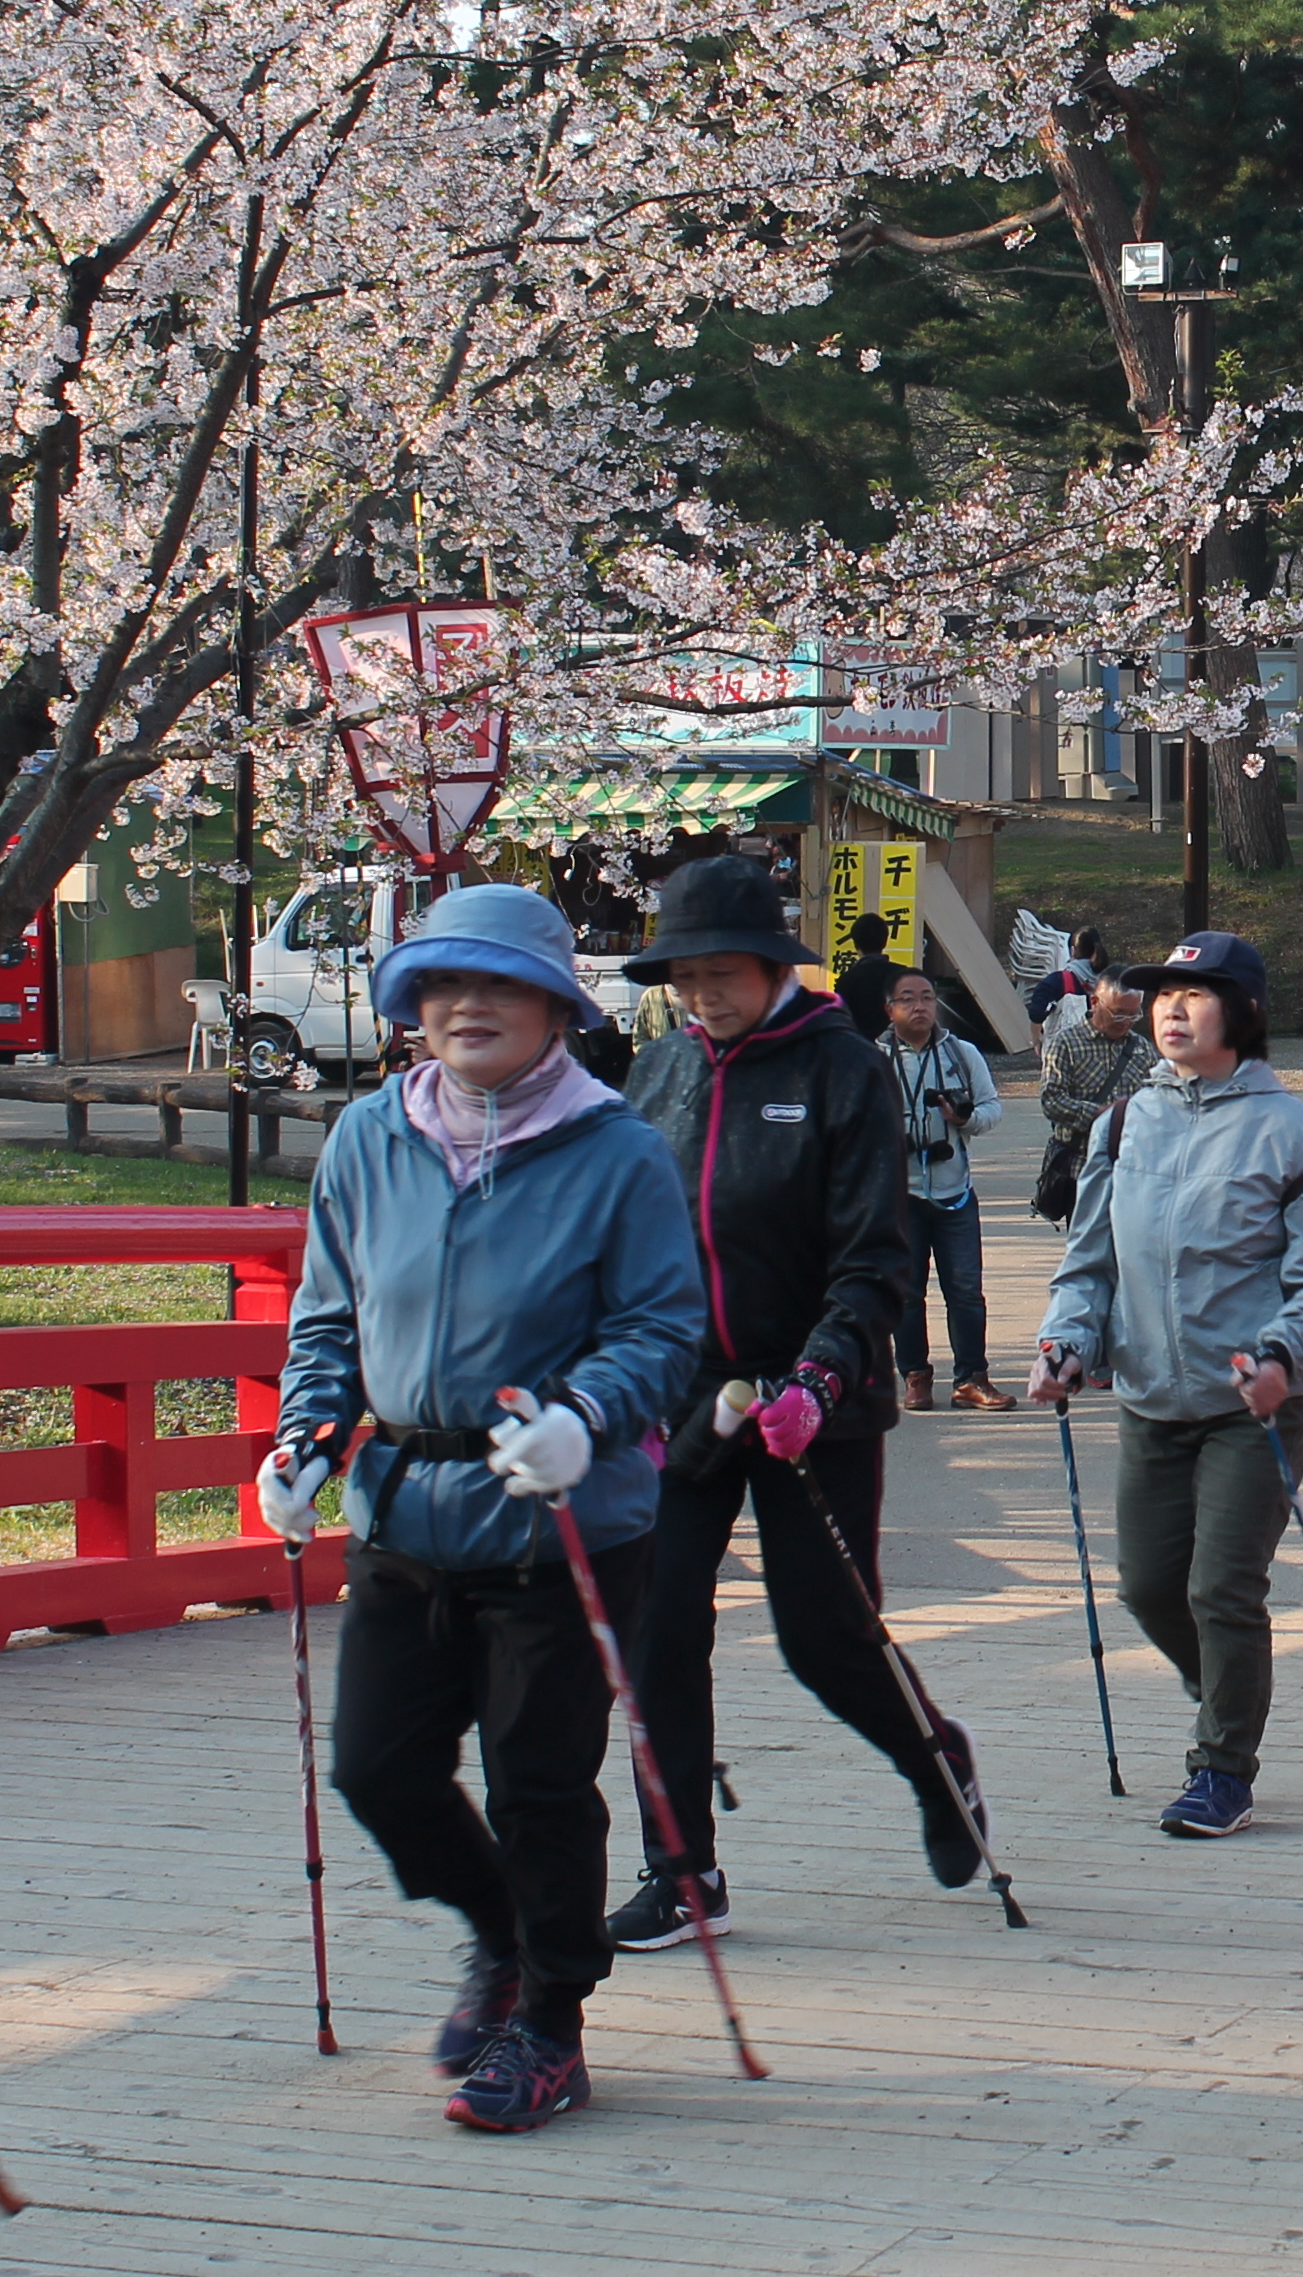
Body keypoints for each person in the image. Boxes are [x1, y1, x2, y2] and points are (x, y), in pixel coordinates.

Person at [263, 884, 704, 2134]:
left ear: (555, 1006)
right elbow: (331, 1315)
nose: (468, 1007)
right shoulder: (366, 1137)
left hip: (561, 1520)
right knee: (377, 1766)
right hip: (405, 1511)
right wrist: (305, 1437)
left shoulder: (616, 1149)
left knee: (540, 1782)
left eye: (499, 986)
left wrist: (588, 1417)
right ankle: (501, 1936)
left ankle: (551, 2022)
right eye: (443, 987)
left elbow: (662, 1327)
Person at [613, 855, 965, 1951]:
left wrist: (818, 1374)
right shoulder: (657, 1073)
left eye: (726, 972)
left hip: (818, 1397)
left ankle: (932, 1758)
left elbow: (875, 1252)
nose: (705, 994)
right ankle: (681, 1867)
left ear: (774, 966)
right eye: (686, 976)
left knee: (827, 1637)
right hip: (685, 1400)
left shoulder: (842, 1070)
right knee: (657, 1626)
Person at [1028, 932, 1303, 1838]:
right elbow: (1089, 1258)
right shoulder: (1126, 1121)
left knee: (1222, 1587)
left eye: (1196, 994)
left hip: (1257, 1402)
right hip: (1149, 1396)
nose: (1171, 1008)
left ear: (1243, 1013)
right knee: (1147, 1586)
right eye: (1163, 993)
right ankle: (1224, 1687)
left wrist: (1285, 1358)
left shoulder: (1285, 1127)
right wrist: (1066, 1341)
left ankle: (1222, 1767)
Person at [881, 970, 1009, 1410]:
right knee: (906, 1292)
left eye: (928, 998)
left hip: (955, 1192)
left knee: (966, 1291)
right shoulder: (872, 1058)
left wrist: (965, 1120)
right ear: (890, 1009)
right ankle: (915, 1376)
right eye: (908, 999)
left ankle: (972, 1378)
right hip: (900, 1197)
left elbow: (993, 1107)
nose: (920, 1006)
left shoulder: (961, 1053)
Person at [1037, 967, 1160, 1229]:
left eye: (1134, 1014)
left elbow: (1159, 1101)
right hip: (1082, 1171)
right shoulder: (1066, 1044)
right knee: (1088, 1257)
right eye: (1118, 1013)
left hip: (1133, 1172)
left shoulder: (1142, 1048)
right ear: (1095, 1002)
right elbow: (1051, 1101)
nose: (1126, 1022)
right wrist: (1102, 1114)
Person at [834, 910, 909, 1036]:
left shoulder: (847, 980)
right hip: (900, 1049)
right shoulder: (904, 975)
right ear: (885, 941)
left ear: (855, 944)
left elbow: (840, 1022)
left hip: (861, 1050)